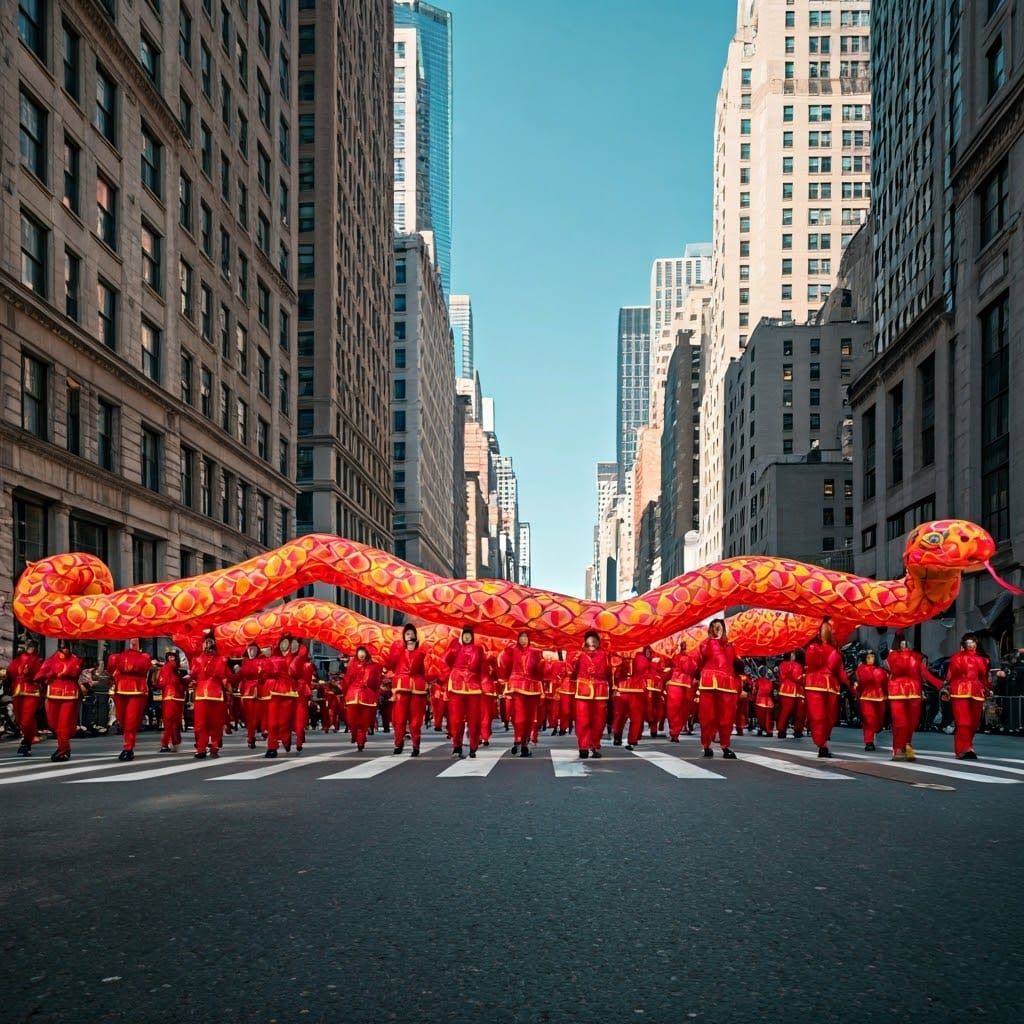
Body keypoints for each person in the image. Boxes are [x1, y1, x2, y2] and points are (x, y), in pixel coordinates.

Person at [884, 632, 942, 761]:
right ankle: (898, 747)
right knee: (900, 722)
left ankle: (907, 744)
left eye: (906, 643)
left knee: (912, 722)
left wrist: (940, 685)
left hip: (914, 692)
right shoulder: (892, 656)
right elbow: (892, 669)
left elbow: (925, 673)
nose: (905, 645)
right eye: (902, 642)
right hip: (897, 692)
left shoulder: (916, 658)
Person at [943, 633, 1000, 760]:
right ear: (964, 645)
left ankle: (968, 746)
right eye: (968, 642)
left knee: (974, 723)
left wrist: (988, 689)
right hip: (959, 691)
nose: (971, 644)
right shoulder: (956, 658)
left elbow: (985, 678)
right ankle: (962, 749)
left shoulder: (983, 660)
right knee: (963, 722)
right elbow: (950, 676)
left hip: (977, 691)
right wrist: (946, 688)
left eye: (973, 642)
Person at [694, 619, 740, 759]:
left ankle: (725, 746)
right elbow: (699, 661)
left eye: (719, 627)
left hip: (727, 685)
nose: (717, 629)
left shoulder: (730, 646)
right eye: (714, 627)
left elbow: (736, 666)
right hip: (709, 683)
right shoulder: (706, 644)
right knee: (707, 716)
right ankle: (707, 745)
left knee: (726, 717)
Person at [804, 621, 850, 758]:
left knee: (829, 717)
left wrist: (849, 684)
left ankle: (822, 740)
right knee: (818, 716)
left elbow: (840, 672)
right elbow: (812, 663)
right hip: (816, 686)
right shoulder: (813, 649)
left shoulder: (834, 652)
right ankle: (822, 743)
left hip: (829, 687)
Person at [36, 641, 85, 762]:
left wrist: (60, 673)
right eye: (62, 647)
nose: (64, 650)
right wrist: (47, 675)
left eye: (66, 647)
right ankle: (62, 747)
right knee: (53, 723)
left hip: (69, 695)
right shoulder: (51, 660)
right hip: (53, 694)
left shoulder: (76, 660)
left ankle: (64, 750)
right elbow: (40, 674)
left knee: (63, 724)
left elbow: (74, 671)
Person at [106, 639, 155, 761]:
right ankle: (128, 743)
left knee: (131, 720)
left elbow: (142, 667)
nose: (133, 641)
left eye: (136, 639)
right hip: (121, 689)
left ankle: (128, 748)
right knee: (122, 718)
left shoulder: (144, 657)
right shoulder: (117, 657)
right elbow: (111, 669)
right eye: (131, 638)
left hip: (137, 690)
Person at [498, 631, 544, 757]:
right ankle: (518, 739)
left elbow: (541, 671)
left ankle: (525, 742)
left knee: (531, 717)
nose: (523, 639)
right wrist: (504, 679)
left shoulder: (536, 652)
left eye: (526, 637)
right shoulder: (511, 651)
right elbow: (504, 666)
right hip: (517, 685)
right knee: (519, 716)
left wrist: (544, 665)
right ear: (517, 638)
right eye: (521, 637)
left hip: (533, 687)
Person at [443, 626, 486, 759]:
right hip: (456, 685)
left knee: (474, 720)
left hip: (474, 687)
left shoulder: (478, 649)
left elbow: (483, 668)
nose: (467, 637)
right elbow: (445, 661)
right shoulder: (455, 647)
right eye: (465, 634)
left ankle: (473, 747)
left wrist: (485, 685)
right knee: (456, 720)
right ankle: (457, 746)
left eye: (469, 635)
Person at [569, 631, 613, 759]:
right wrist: (573, 659)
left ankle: (594, 745)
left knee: (599, 721)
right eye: (590, 640)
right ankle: (583, 747)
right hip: (583, 691)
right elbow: (570, 672)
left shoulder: (605, 655)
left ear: (599, 642)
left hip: (600, 691)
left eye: (595, 640)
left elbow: (610, 673)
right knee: (582, 720)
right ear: (585, 642)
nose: (592, 642)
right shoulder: (579, 655)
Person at [386, 625, 428, 756]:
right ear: (404, 636)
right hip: (401, 687)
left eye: (412, 633)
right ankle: (398, 744)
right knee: (399, 719)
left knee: (416, 721)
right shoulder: (398, 649)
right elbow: (390, 665)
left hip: (417, 689)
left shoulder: (421, 653)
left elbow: (425, 671)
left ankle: (416, 746)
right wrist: (398, 650)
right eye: (407, 633)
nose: (410, 636)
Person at [190, 634, 231, 758]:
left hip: (216, 694)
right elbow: (194, 674)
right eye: (206, 642)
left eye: (210, 642)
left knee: (215, 723)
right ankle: (201, 748)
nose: (208, 645)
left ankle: (214, 746)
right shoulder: (197, 659)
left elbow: (225, 675)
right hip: (201, 694)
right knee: (200, 723)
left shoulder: (221, 660)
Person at [264, 636, 298, 758]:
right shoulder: (272, 658)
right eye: (282, 642)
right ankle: (272, 747)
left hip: (288, 692)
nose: (284, 645)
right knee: (272, 722)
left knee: (284, 721)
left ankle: (285, 737)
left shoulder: (295, 658)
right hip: (274, 691)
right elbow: (266, 673)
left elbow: (295, 672)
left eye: (286, 642)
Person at [343, 646, 382, 752]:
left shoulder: (375, 666)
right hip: (352, 695)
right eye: (360, 652)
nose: (361, 654)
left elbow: (376, 683)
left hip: (367, 696)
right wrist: (345, 694)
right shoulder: (352, 665)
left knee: (364, 722)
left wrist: (375, 694)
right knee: (351, 720)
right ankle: (354, 733)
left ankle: (361, 741)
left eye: (363, 652)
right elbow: (347, 680)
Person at [8, 639, 43, 756]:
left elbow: (39, 675)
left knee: (27, 718)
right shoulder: (16, 660)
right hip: (17, 690)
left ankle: (27, 741)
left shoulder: (36, 660)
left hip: (31, 690)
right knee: (19, 718)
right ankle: (29, 737)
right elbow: (10, 673)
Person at [611, 650, 647, 750]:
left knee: (623, 717)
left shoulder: (618, 655)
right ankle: (630, 739)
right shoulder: (640, 658)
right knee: (629, 717)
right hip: (628, 690)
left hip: (630, 690)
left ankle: (624, 738)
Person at [665, 640, 699, 742]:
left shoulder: (693, 657)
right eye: (683, 645)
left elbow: (692, 669)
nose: (685, 647)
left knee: (684, 710)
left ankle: (676, 731)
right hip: (676, 684)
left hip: (687, 685)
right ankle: (674, 732)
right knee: (674, 709)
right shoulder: (674, 655)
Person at [854, 651, 888, 752]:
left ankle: (876, 730)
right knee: (869, 719)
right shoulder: (861, 670)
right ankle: (869, 741)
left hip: (881, 697)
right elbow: (860, 684)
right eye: (868, 657)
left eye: (872, 657)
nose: (870, 659)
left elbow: (885, 683)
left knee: (878, 719)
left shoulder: (880, 670)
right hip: (866, 697)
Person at [236, 643, 264, 748]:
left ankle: (253, 734)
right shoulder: (245, 662)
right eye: (250, 649)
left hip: (258, 691)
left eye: (254, 649)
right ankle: (250, 736)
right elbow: (239, 676)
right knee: (248, 716)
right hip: (247, 692)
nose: (251, 652)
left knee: (256, 716)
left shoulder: (262, 662)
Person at [158, 650, 186, 752]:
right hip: (171, 697)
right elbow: (161, 683)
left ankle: (172, 742)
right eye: (169, 656)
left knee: (173, 722)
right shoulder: (168, 667)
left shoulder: (172, 668)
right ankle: (168, 742)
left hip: (175, 697)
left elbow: (160, 683)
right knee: (170, 721)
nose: (171, 658)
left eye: (173, 656)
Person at [290, 639, 315, 753]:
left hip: (300, 690)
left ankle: (299, 738)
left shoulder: (306, 664)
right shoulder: (282, 655)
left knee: (300, 717)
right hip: (286, 689)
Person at [775, 651, 806, 739]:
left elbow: (781, 678)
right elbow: (797, 678)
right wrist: (804, 676)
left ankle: (781, 730)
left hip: (784, 690)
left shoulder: (781, 665)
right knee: (799, 712)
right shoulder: (797, 665)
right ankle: (798, 730)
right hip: (795, 691)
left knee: (784, 712)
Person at [752, 671, 775, 738]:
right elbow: (772, 692)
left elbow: (754, 691)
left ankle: (761, 728)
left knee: (760, 718)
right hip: (769, 702)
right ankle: (769, 730)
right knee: (769, 718)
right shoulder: (770, 682)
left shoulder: (757, 681)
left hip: (759, 701)